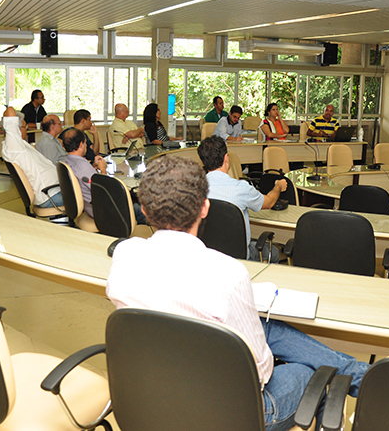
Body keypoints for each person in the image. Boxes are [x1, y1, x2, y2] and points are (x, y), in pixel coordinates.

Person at [106, 155, 368, 431]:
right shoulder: (227, 273)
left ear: (144, 210)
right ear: (205, 207)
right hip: (231, 415)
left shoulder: (125, 254)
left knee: (270, 328)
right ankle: (360, 378)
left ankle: (358, 374)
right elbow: (260, 373)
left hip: (154, 395)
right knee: (310, 370)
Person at [198, 135, 286, 256]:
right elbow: (269, 202)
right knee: (274, 253)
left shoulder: (194, 188)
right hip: (239, 257)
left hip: (206, 255)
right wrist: (278, 186)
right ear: (226, 158)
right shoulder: (241, 188)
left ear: (202, 161)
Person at [1, 107, 63, 209]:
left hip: (53, 190)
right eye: (25, 127)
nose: (28, 129)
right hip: (50, 195)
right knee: (91, 197)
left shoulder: (20, 145)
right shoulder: (14, 146)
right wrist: (8, 117)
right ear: (17, 129)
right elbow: (10, 110)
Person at [61, 128, 107, 218]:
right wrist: (103, 170)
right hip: (98, 208)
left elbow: (85, 179)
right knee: (135, 207)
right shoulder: (82, 165)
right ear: (81, 144)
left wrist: (93, 167)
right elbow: (102, 190)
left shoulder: (68, 160)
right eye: (85, 143)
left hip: (86, 205)